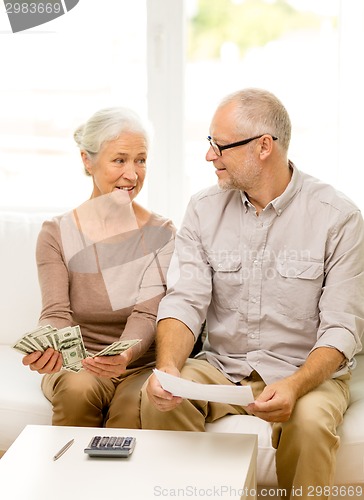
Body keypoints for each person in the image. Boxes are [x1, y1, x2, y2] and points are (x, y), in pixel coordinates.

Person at [141, 88, 364, 499]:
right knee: (159, 395)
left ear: (264, 147)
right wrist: (169, 366)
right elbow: (184, 300)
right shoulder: (203, 209)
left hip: (305, 374)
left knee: (312, 424)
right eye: (210, 144)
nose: (210, 156)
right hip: (223, 367)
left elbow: (342, 328)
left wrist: (295, 385)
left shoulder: (339, 218)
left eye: (220, 145)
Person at [22, 107, 175, 428]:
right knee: (79, 391)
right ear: (87, 161)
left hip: (139, 363)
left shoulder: (162, 233)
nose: (132, 175)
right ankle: (67, 478)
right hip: (76, 361)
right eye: (119, 160)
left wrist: (124, 357)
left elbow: (147, 314)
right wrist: (50, 345)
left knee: (135, 408)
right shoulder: (56, 232)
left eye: (141, 160)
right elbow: (55, 312)